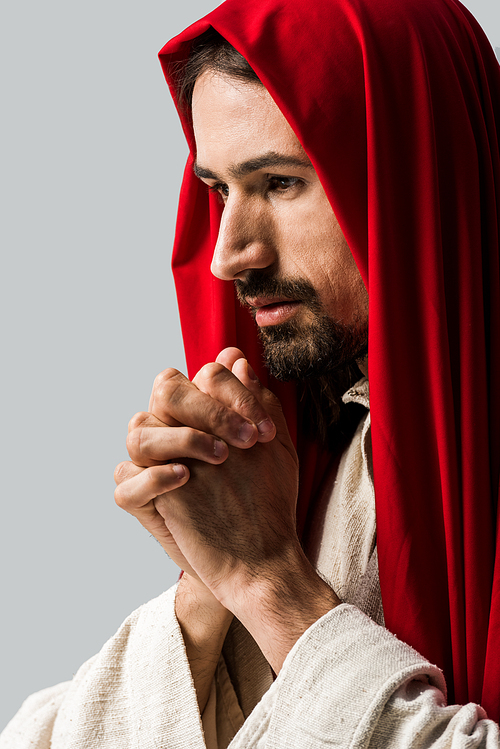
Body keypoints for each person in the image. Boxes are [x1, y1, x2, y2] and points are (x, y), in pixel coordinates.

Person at [2, 0, 500, 746]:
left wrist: (271, 580)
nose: (229, 253)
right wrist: (212, 582)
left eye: (279, 183)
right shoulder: (325, 449)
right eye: (218, 189)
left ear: (410, 175)